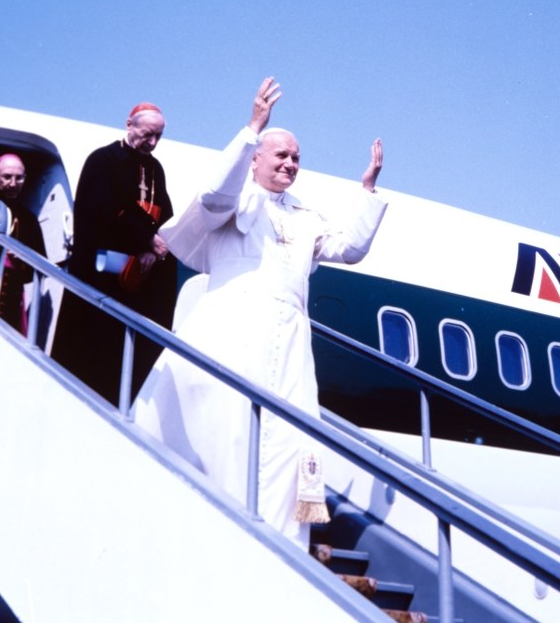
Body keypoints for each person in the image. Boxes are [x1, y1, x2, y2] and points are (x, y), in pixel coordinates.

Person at [132, 77, 386, 549]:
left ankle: (285, 538)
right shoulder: (235, 202)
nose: (290, 163)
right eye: (280, 155)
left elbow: (349, 248)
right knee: (226, 426)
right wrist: (252, 128)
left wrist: (367, 190)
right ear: (255, 160)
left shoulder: (305, 216)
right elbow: (214, 196)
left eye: (296, 158)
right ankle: (221, 521)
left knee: (293, 436)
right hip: (234, 324)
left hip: (290, 340)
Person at [53, 103, 177, 404]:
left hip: (139, 274)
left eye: (158, 136)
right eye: (147, 134)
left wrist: (153, 250)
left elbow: (164, 214)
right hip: (103, 270)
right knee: (95, 352)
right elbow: (105, 210)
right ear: (129, 125)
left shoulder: (155, 169)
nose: (152, 143)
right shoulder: (103, 160)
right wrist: (146, 240)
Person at [0, 153, 47, 333]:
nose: (13, 184)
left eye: (19, 178)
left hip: (11, 302)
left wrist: (23, 260)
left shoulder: (28, 219)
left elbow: (41, 266)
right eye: (7, 177)